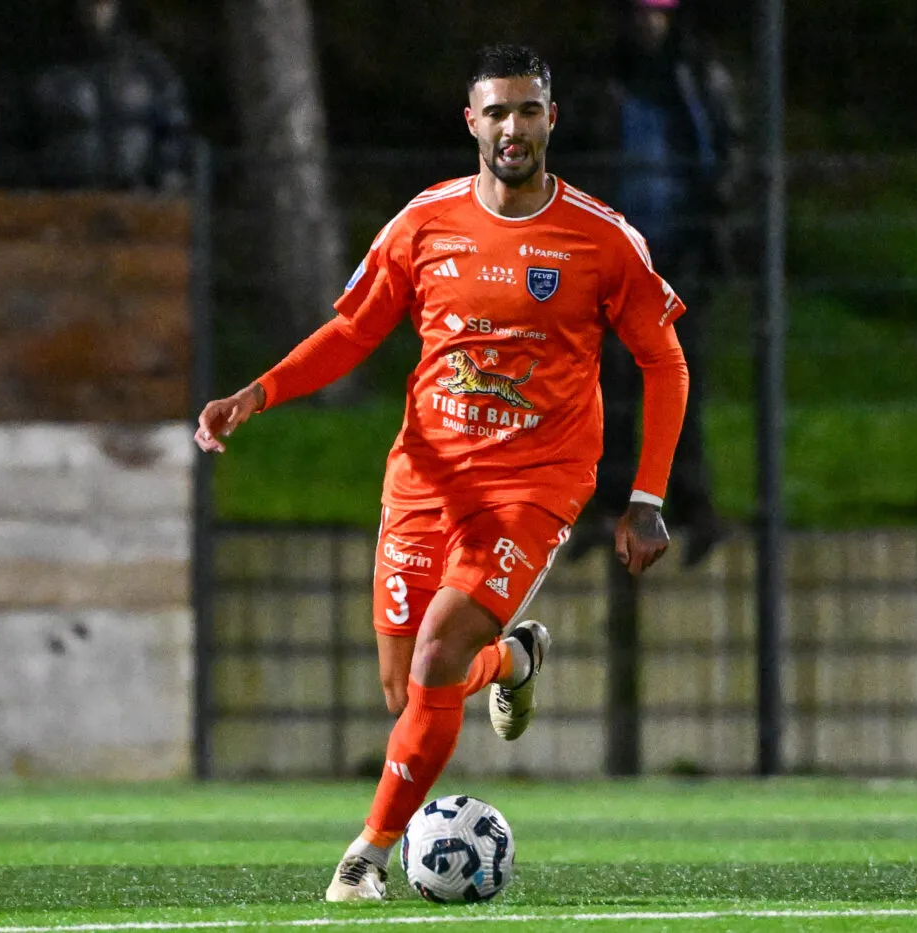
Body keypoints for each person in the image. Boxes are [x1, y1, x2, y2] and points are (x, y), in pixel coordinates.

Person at [194, 44, 690, 901]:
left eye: (528, 110)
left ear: (551, 120)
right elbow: (353, 330)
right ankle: (513, 662)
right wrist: (260, 392)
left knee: (435, 652)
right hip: (423, 481)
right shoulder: (424, 223)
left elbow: (666, 363)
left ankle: (365, 855)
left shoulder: (603, 240)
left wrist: (646, 497)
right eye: (496, 111)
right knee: (412, 688)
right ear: (472, 123)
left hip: (536, 483)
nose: (512, 127)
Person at [563, 0, 747, 568]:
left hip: (681, 250)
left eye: (659, 13)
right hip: (620, 256)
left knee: (679, 383)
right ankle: (612, 502)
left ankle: (692, 502)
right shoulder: (606, 81)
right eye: (641, 12)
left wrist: (715, 221)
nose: (649, 23)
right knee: (613, 385)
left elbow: (729, 154)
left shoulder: (696, 78)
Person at [0, 0, 191, 193]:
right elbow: (13, 143)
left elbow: (174, 133)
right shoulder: (38, 71)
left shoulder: (150, 69)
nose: (96, 12)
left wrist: (167, 180)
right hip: (61, 202)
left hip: (136, 200)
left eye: (102, 3)